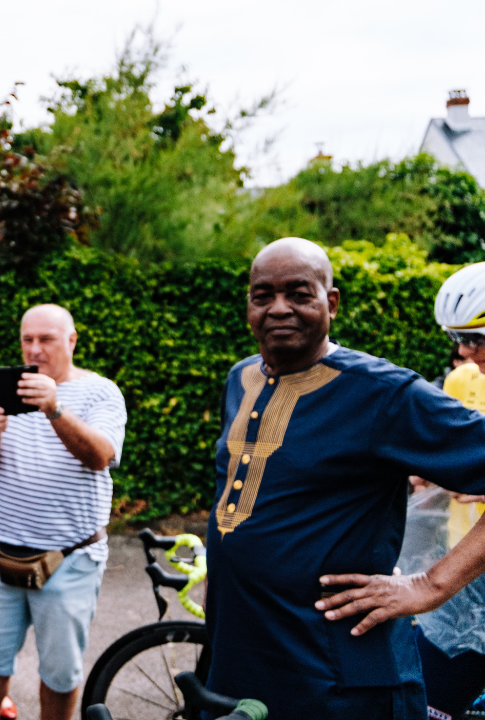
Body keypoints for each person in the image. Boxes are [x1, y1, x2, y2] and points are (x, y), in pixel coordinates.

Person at [206, 237, 485, 719]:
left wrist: (430, 586)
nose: (278, 309)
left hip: (337, 679)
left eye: (298, 293)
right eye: (263, 295)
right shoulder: (243, 378)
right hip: (239, 664)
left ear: (330, 303)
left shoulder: (383, 394)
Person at [0, 304, 126, 720]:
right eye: (27, 340)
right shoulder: (2, 387)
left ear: (72, 341)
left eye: (47, 339)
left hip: (70, 558)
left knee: (58, 677)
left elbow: (100, 456)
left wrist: (54, 409)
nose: (34, 350)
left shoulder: (101, 391)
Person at [405, 263, 485, 720]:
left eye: (481, 339)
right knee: (427, 702)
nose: (469, 353)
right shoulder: (462, 381)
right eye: (459, 339)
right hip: (469, 570)